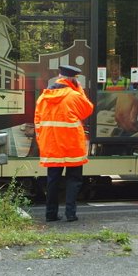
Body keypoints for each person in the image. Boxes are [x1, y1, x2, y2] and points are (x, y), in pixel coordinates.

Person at [34, 64, 94, 222]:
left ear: (60, 77)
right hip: (71, 145)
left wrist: (42, 144)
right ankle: (70, 214)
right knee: (73, 179)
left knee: (52, 180)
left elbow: (37, 124)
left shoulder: (43, 97)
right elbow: (88, 110)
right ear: (73, 80)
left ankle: (50, 214)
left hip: (51, 146)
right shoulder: (74, 96)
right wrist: (79, 90)